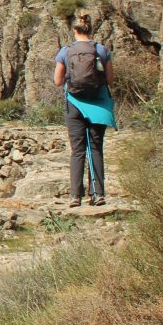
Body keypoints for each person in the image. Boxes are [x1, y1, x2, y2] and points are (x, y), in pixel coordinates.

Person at [54, 13, 114, 206]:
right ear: (90, 28)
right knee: (95, 148)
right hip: (98, 104)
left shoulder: (65, 51)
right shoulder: (101, 50)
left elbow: (57, 81)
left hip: (74, 104)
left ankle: (75, 196)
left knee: (78, 150)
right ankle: (98, 194)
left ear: (74, 30)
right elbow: (110, 79)